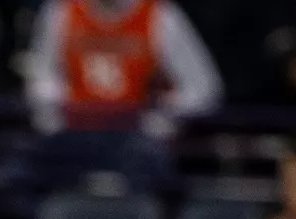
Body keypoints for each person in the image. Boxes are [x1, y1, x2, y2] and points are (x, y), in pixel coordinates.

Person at [25, 0, 223, 134]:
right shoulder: (60, 11)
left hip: (136, 136)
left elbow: (204, 90)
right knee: (17, 176)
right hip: (73, 134)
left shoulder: (161, 16)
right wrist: (57, 118)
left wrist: (158, 120)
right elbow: (40, 78)